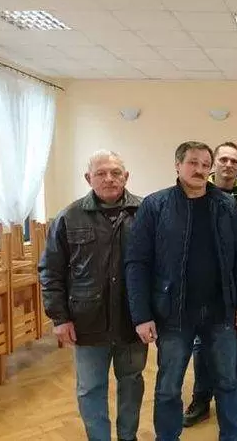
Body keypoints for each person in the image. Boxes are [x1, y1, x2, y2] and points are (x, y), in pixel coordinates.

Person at [125, 141, 237, 441]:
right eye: (192, 163)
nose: (199, 169)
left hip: (220, 310)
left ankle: (231, 437)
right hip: (173, 313)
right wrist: (141, 315)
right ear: (177, 165)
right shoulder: (155, 206)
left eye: (204, 164)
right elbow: (137, 262)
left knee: (228, 383)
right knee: (169, 387)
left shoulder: (226, 206)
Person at [39, 150, 147, 441]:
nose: (109, 178)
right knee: (90, 388)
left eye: (115, 172)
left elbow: (160, 267)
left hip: (132, 320)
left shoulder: (145, 212)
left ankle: (128, 437)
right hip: (86, 321)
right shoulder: (69, 217)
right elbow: (50, 270)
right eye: (101, 173)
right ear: (88, 178)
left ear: (126, 177)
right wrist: (59, 318)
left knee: (132, 382)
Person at [186, 140, 237, 426]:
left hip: (233, 285)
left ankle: (235, 395)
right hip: (201, 287)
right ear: (213, 164)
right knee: (200, 347)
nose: (228, 165)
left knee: (232, 347)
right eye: (223, 159)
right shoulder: (195, 190)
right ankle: (201, 399)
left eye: (234, 161)